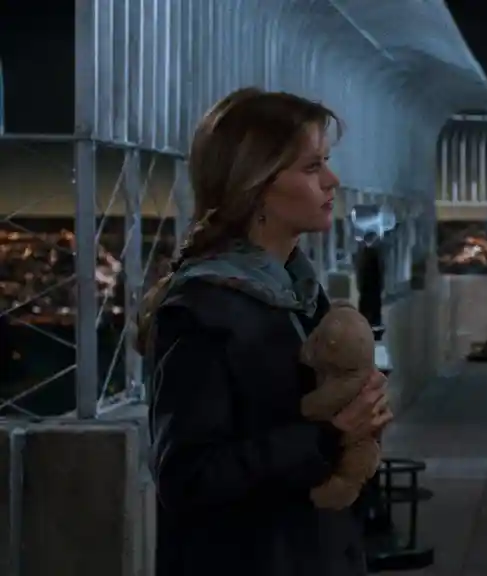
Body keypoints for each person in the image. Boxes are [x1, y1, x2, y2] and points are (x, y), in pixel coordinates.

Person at [137, 87, 393, 576]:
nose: (333, 180)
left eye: (327, 163)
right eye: (313, 167)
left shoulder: (300, 293)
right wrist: (327, 436)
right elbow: (186, 478)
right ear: (255, 186)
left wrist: (359, 416)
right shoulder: (201, 311)